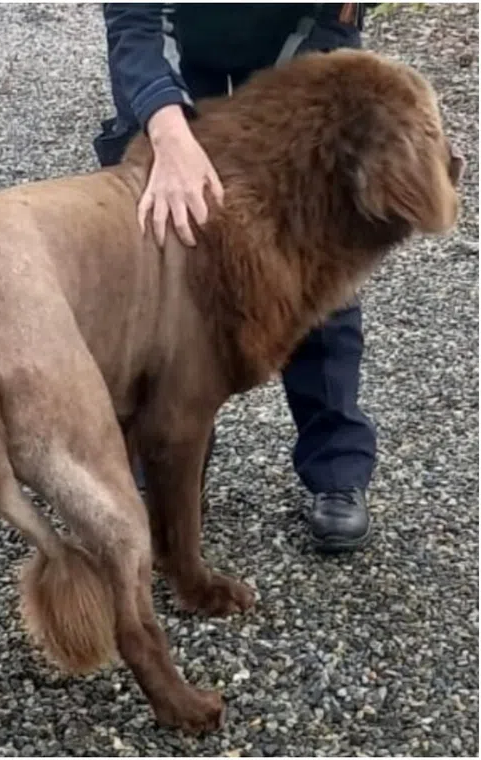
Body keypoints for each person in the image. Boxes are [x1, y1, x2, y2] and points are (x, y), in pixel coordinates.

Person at [96, 3, 376, 553]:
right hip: (180, 39)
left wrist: (271, 123)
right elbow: (135, 25)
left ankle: (338, 466)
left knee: (313, 246)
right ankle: (162, 445)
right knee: (160, 243)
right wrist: (169, 132)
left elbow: (334, 24)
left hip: (297, 37)